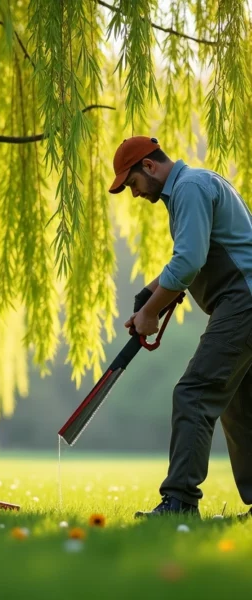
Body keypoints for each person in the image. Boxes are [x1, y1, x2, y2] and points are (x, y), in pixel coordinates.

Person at [109, 136, 252, 519]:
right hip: (240, 303)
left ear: (150, 166)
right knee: (240, 406)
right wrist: (147, 298)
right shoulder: (197, 184)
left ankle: (180, 501)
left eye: (132, 183)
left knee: (193, 393)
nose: (134, 194)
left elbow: (188, 262)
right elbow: (188, 260)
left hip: (243, 303)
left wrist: (152, 312)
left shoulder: (189, 187)